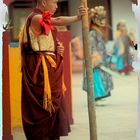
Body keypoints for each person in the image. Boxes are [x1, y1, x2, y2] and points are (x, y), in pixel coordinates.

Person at [19, 0, 87, 140]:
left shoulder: (41, 20)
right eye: (54, 2)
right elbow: (58, 20)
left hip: (49, 69)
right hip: (40, 72)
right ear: (43, 2)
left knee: (53, 110)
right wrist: (77, 18)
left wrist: (56, 49)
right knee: (44, 109)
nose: (56, 6)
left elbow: (45, 43)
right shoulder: (36, 18)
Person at [83, 6, 113, 101]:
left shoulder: (98, 32)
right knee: (96, 77)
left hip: (101, 58)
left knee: (101, 77)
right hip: (95, 61)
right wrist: (96, 58)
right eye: (101, 18)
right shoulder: (92, 33)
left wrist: (106, 52)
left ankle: (101, 95)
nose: (103, 21)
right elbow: (92, 47)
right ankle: (97, 96)